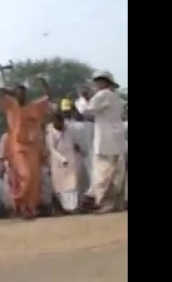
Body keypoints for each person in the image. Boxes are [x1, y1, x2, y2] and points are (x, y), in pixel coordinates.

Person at [0, 76, 52, 219]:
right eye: (18, 93)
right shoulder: (11, 106)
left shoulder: (34, 107)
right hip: (18, 147)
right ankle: (19, 200)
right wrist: (11, 92)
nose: (21, 95)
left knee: (35, 179)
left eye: (23, 93)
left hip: (33, 147)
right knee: (26, 176)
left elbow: (48, 97)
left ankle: (30, 208)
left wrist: (44, 84)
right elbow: (0, 92)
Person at [78, 71, 126, 213]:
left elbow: (86, 110)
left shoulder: (103, 95)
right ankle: (106, 203)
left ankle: (95, 199)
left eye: (99, 81)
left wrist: (82, 98)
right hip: (115, 139)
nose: (97, 84)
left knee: (102, 172)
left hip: (106, 140)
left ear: (106, 82)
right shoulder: (115, 97)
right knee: (113, 173)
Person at [46, 111, 82, 213]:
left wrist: (76, 146)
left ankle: (73, 207)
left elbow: (73, 141)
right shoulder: (50, 132)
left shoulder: (69, 129)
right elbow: (52, 149)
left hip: (71, 159)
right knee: (60, 186)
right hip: (58, 162)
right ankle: (65, 207)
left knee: (72, 184)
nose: (60, 125)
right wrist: (62, 159)